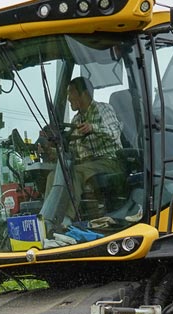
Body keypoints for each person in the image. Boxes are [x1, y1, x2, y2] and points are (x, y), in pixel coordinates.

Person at [37, 77, 127, 240]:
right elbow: (72, 152)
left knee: (75, 173)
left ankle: (65, 221)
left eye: (71, 92)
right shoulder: (76, 120)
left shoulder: (103, 109)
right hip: (87, 165)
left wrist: (93, 128)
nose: (69, 98)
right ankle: (47, 220)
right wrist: (50, 148)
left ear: (84, 94)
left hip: (110, 161)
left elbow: (115, 132)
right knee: (56, 175)